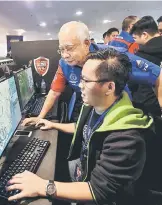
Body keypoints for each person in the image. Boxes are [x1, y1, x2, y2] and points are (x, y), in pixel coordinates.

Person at [7, 49, 161, 205]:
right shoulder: (100, 105)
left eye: (86, 81)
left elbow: (98, 190)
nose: (80, 85)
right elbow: (86, 128)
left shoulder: (126, 138)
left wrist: (43, 186)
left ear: (109, 87)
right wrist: (53, 124)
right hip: (86, 172)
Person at [22, 21, 162, 126]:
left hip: (117, 119)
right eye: (61, 49)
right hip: (90, 118)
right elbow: (54, 92)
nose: (65, 55)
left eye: (69, 48)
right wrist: (40, 117)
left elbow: (158, 75)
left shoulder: (113, 57)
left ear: (87, 43)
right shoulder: (64, 64)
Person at [129, 16, 162, 115]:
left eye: (135, 38)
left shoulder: (141, 57)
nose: (135, 42)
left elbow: (135, 86)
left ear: (144, 35)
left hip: (149, 110)